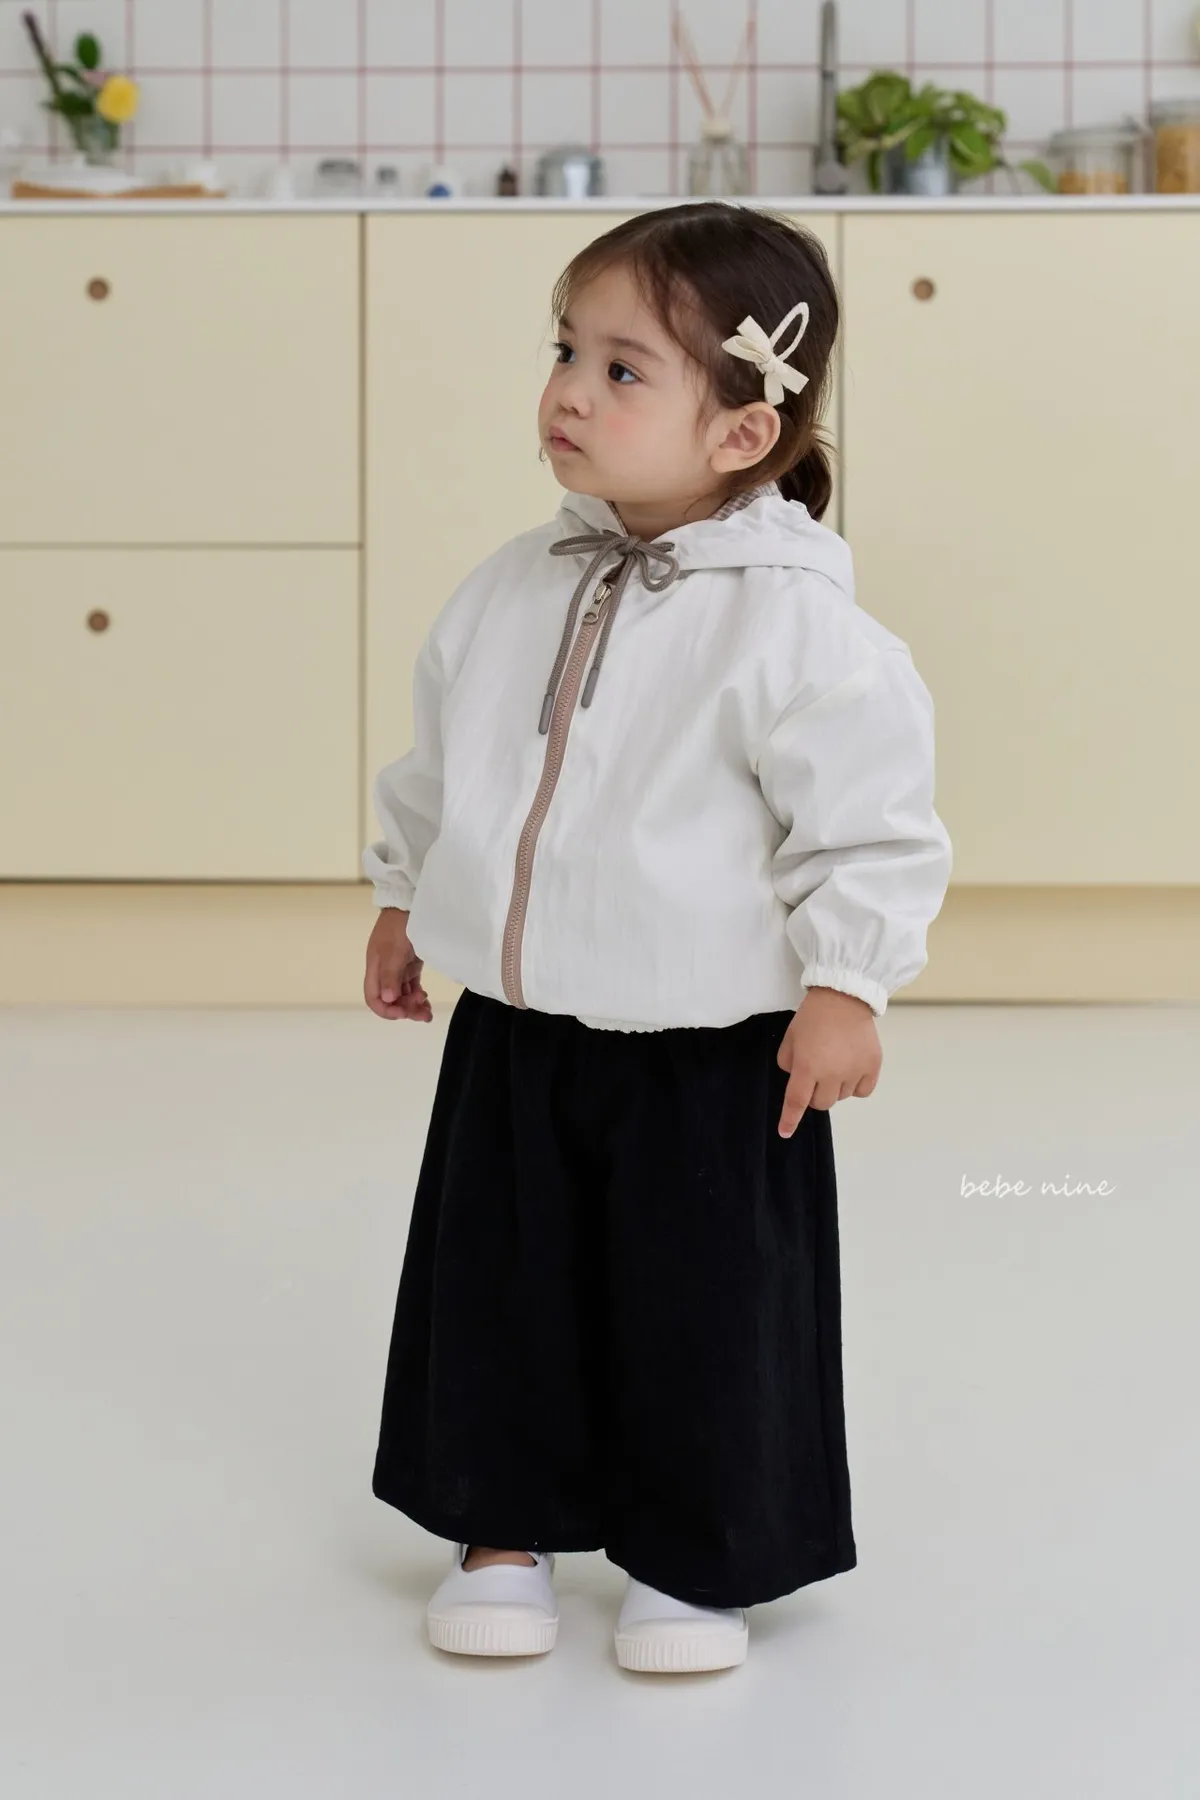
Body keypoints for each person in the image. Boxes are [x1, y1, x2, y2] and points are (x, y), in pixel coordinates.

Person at [361, 201, 952, 1675]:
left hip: (711, 1049)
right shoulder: (515, 585)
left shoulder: (800, 631)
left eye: (623, 369)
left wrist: (848, 981)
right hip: (519, 1030)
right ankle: (502, 1530)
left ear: (743, 431)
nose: (568, 391)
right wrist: (404, 892)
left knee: (704, 1309)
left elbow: (871, 824)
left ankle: (698, 1557)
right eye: (567, 350)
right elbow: (445, 762)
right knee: (501, 1285)